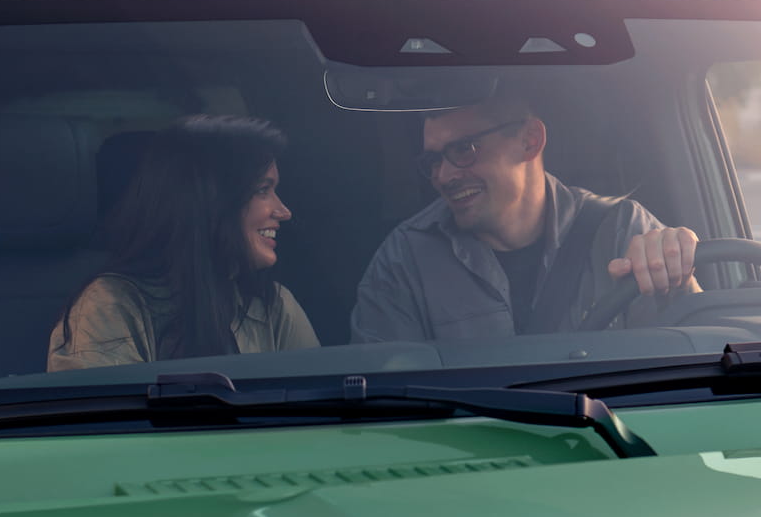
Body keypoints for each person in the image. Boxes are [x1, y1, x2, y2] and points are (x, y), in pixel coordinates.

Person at [351, 92, 699, 342]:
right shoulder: (405, 258)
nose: (443, 176)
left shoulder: (624, 231)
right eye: (434, 161)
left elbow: (698, 360)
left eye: (463, 150)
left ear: (530, 141)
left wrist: (678, 275)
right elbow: (385, 406)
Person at [48, 114, 318, 371]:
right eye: (262, 190)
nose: (284, 211)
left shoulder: (275, 306)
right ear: (210, 201)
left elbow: (320, 408)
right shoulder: (110, 307)